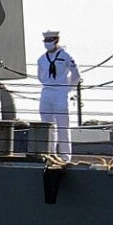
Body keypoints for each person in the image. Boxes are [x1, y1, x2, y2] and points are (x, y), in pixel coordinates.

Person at [35, 30, 78, 160]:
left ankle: (65, 157)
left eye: (50, 41)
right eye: (46, 41)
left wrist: (67, 88)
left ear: (56, 41)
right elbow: (40, 77)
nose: (47, 44)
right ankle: (50, 154)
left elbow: (76, 75)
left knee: (63, 126)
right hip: (47, 91)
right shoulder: (42, 59)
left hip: (61, 92)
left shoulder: (66, 56)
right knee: (47, 125)